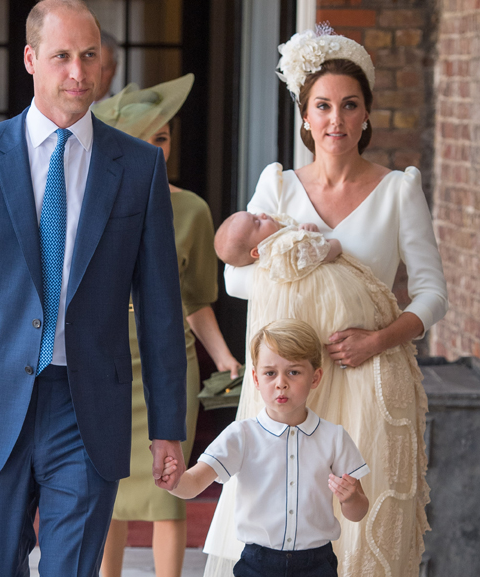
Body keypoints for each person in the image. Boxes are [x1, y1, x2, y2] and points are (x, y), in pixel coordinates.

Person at [0, 2, 188, 576]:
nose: (78, 72)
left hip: (87, 413)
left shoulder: (137, 168)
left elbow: (160, 309)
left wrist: (167, 428)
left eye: (89, 57)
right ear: (31, 60)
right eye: (62, 57)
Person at [206, 27, 448, 577]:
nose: (335, 119)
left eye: (349, 105)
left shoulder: (398, 191)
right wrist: (292, 265)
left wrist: (377, 339)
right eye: (323, 106)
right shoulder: (279, 188)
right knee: (280, 520)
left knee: (358, 524)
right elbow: (235, 280)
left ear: (366, 115)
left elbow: (434, 293)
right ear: (306, 116)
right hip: (288, 380)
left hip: (365, 376)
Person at [92, 75, 241, 577]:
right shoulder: (94, 203)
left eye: (164, 137)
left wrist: (222, 357)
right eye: (143, 137)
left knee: (170, 489)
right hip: (108, 364)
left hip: (168, 364)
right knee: (109, 489)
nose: (155, 148)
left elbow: (197, 301)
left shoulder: (193, 210)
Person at [163, 319, 370, 577]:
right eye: (270, 373)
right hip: (257, 563)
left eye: (293, 372)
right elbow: (193, 483)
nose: (281, 383)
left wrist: (350, 498)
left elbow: (359, 511)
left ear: (315, 377)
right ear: (256, 379)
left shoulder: (334, 437)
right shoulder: (241, 435)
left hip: (317, 564)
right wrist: (173, 481)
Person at [215, 211, 341, 267]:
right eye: (258, 222)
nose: (262, 214)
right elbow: (326, 253)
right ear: (257, 252)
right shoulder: (285, 250)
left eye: (254, 214)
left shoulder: (282, 233)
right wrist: (333, 243)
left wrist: (310, 234)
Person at [94, 30, 118, 102]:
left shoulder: (127, 111)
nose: (97, 77)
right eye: (91, 68)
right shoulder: (62, 110)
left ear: (114, 69)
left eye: (104, 68)